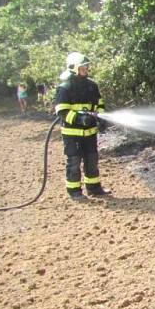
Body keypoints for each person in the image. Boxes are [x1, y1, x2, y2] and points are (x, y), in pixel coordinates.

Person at [54, 51, 109, 200]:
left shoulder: (92, 86)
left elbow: (100, 104)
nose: (86, 69)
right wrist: (79, 119)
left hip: (90, 132)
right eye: (83, 67)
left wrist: (101, 117)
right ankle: (75, 192)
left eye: (86, 67)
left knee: (92, 160)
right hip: (72, 134)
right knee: (74, 162)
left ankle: (94, 188)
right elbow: (62, 111)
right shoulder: (65, 88)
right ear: (73, 68)